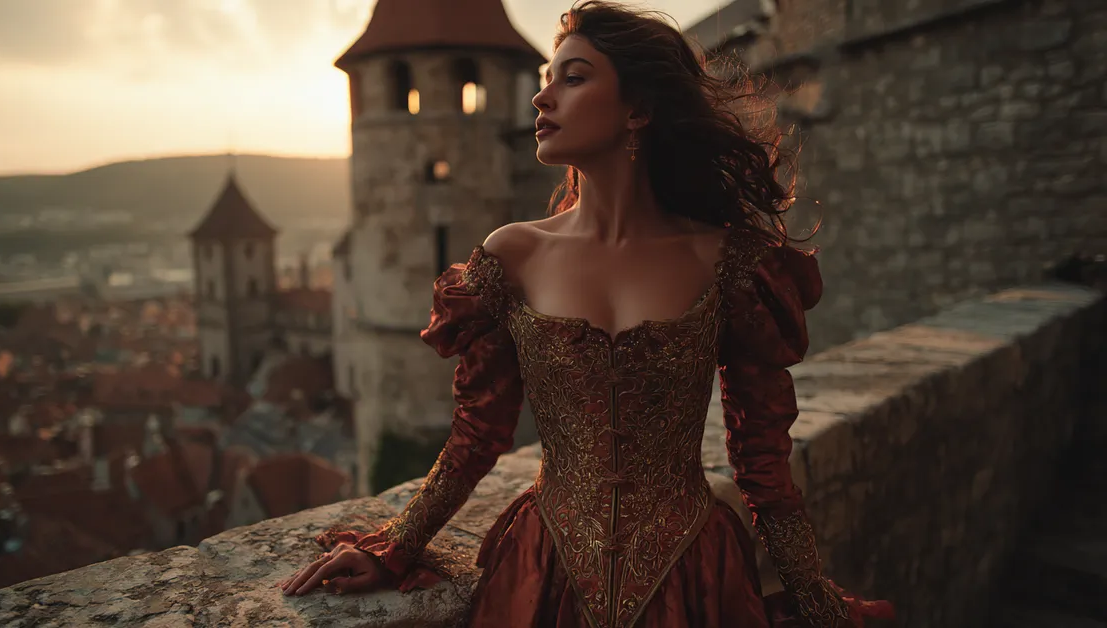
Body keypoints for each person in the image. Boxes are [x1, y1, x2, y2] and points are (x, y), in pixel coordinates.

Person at [279, 2, 895, 626]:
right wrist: (395, 547)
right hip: (542, 572)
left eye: (573, 78)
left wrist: (812, 596)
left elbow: (761, 463)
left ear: (638, 109)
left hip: (694, 577)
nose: (541, 98)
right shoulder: (510, 255)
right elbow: (477, 434)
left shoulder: (732, 263)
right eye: (546, 79)